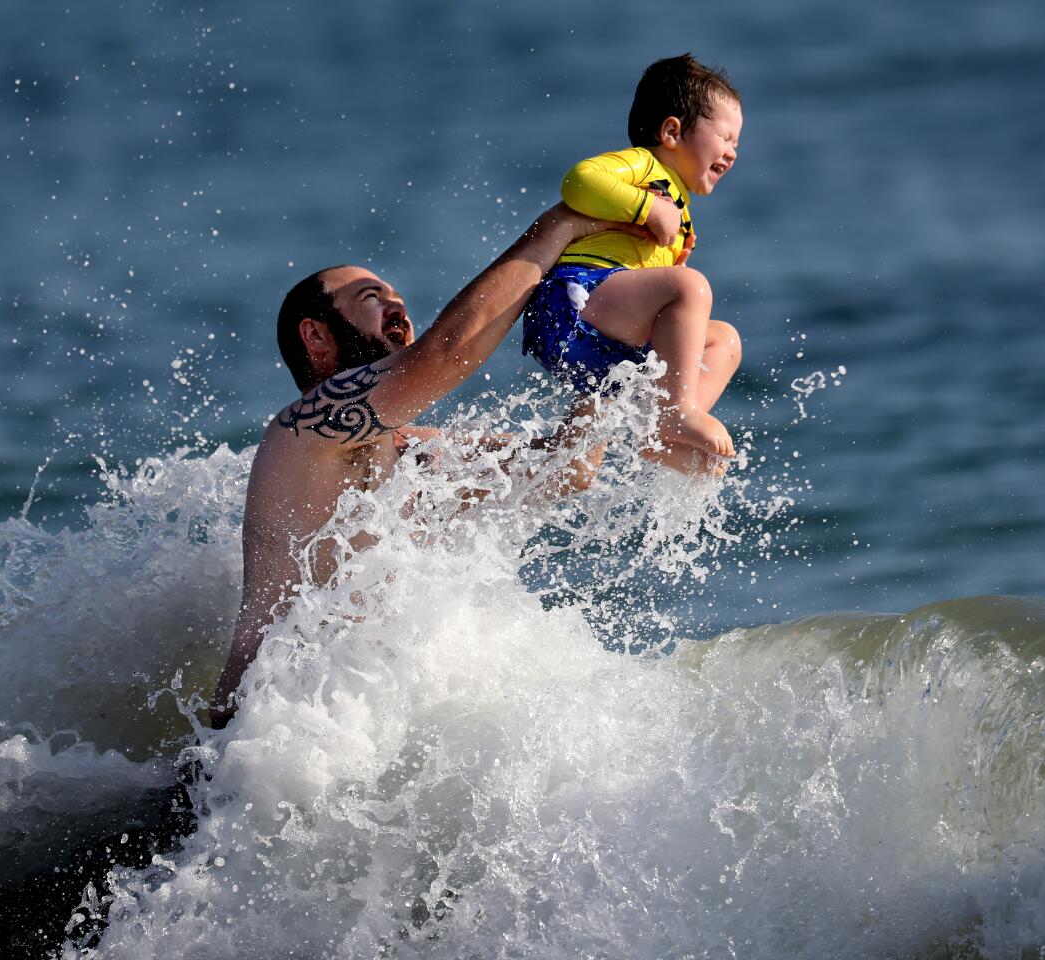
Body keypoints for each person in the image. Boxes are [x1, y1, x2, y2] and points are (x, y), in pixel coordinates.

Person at [209, 204, 661, 727]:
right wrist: (557, 229)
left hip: (336, 747)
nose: (397, 307)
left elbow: (569, 468)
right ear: (316, 336)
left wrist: (607, 349)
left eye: (398, 298)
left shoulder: (416, 457)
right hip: (243, 754)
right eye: (372, 298)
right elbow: (443, 354)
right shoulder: (305, 429)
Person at [522, 53, 745, 465]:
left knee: (724, 340)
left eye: (737, 143)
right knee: (691, 287)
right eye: (726, 137)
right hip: (573, 302)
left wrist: (671, 258)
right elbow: (579, 181)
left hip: (607, 339)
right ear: (672, 131)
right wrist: (649, 208)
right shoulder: (644, 165)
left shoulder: (681, 203)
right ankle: (676, 413)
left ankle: (661, 435)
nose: (733, 152)